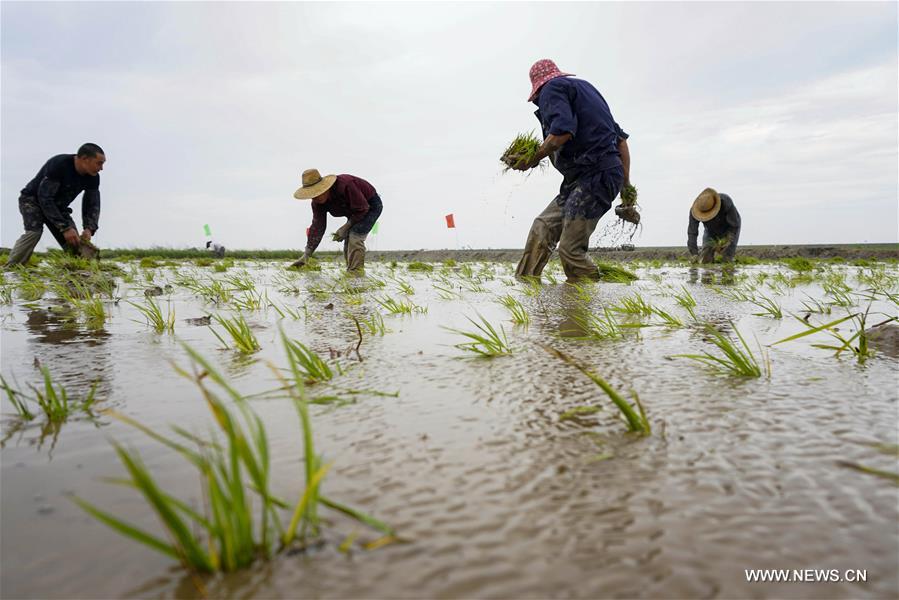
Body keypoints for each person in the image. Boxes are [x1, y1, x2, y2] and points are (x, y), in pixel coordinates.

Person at [513, 59, 631, 281]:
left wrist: (532, 158)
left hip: (597, 175)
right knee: (543, 227)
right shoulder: (586, 93)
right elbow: (621, 142)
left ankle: (585, 302)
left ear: (538, 90)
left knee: (570, 249)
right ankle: (526, 292)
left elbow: (561, 132)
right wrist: (626, 188)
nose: (540, 104)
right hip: (582, 179)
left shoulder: (552, 89)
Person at [5, 143, 106, 267]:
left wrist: (89, 228)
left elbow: (92, 204)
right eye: (99, 163)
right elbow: (45, 198)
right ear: (85, 158)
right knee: (34, 232)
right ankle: (10, 269)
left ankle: (80, 272)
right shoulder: (60, 164)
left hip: (59, 207)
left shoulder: (93, 177)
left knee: (74, 241)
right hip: (32, 200)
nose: (101, 168)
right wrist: (65, 228)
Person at [290, 168, 383, 272]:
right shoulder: (317, 203)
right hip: (354, 212)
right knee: (348, 240)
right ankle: (350, 271)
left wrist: (346, 226)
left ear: (325, 188)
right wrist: (307, 254)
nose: (315, 197)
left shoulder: (345, 185)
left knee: (355, 236)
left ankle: (356, 273)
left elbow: (363, 208)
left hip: (369, 205)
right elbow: (318, 226)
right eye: (312, 195)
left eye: (317, 193)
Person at [687, 188, 741, 263]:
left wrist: (727, 240)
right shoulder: (695, 211)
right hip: (710, 231)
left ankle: (729, 267)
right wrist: (694, 253)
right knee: (705, 259)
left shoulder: (726, 202)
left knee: (727, 258)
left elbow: (734, 225)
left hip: (730, 227)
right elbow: (692, 232)